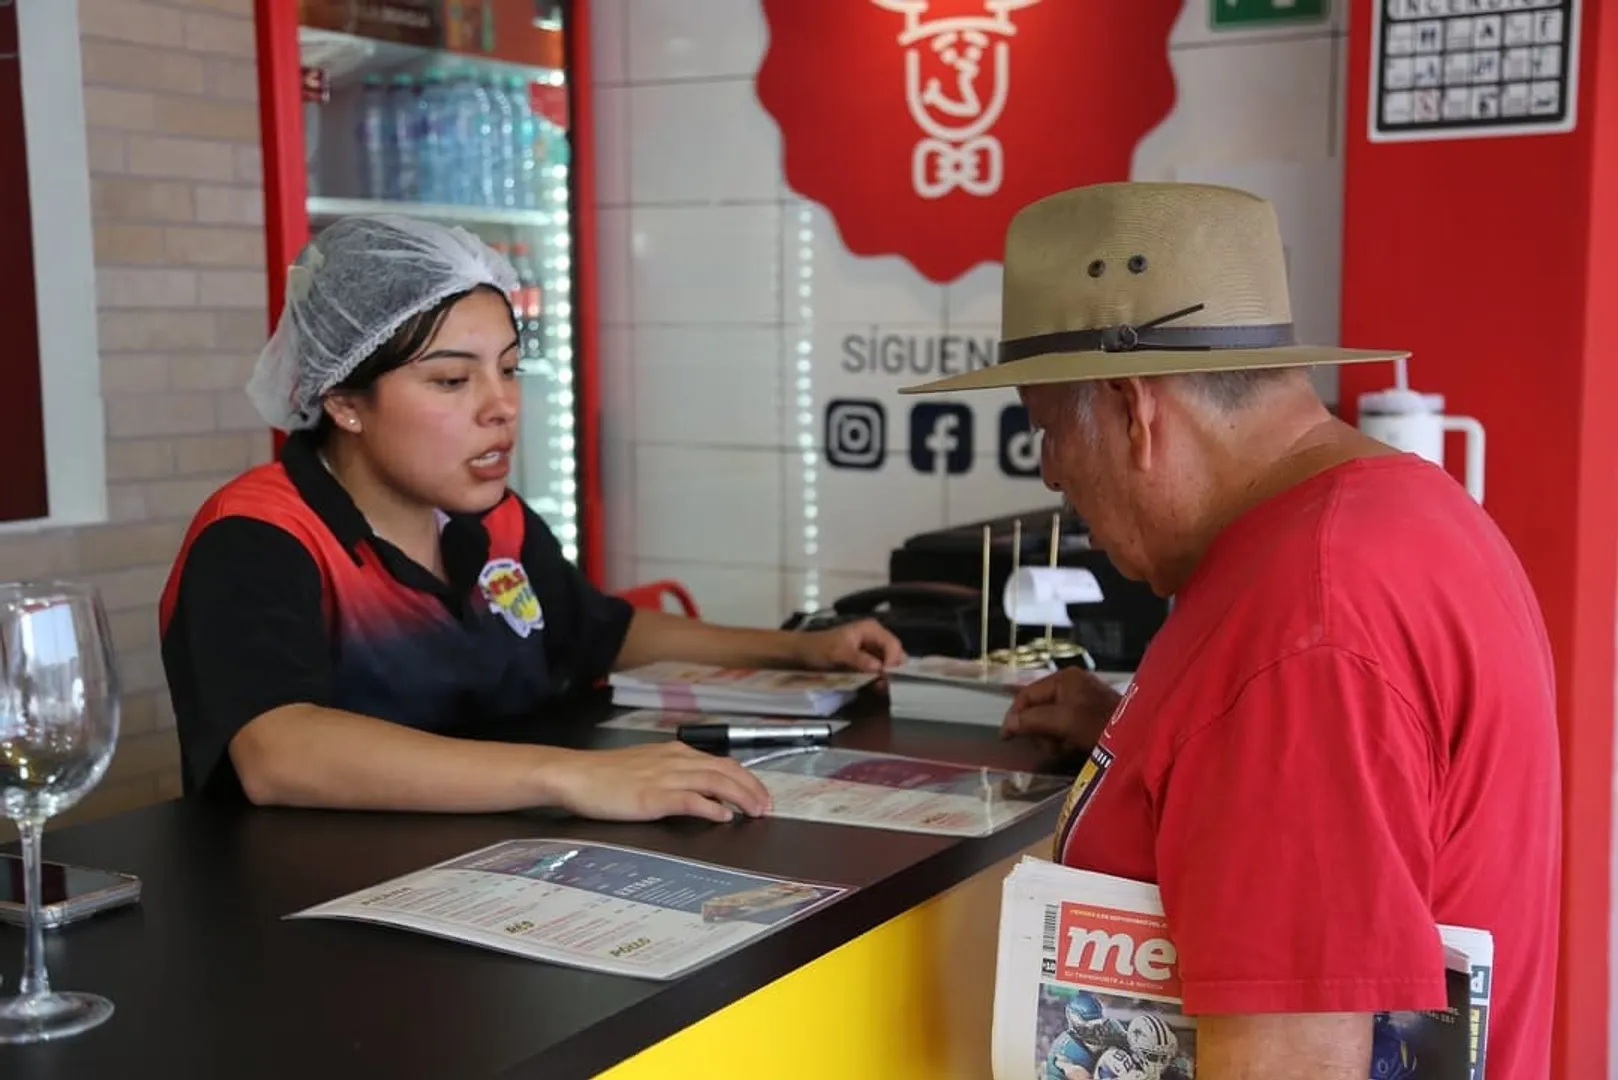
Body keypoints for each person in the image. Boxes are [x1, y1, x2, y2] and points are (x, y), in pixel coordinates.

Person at [902, 182, 1558, 1080]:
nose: (1051, 472)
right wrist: (1150, 748)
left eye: (1048, 429)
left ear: (1133, 407)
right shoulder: (1400, 518)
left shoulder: (1300, 632)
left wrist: (1245, 717)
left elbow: (1295, 1063)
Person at [159, 214, 904, 824]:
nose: (502, 406)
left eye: (510, 369)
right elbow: (278, 750)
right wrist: (571, 776)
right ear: (344, 402)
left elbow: (601, 632)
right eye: (452, 380)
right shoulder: (259, 536)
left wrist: (798, 649)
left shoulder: (495, 522)